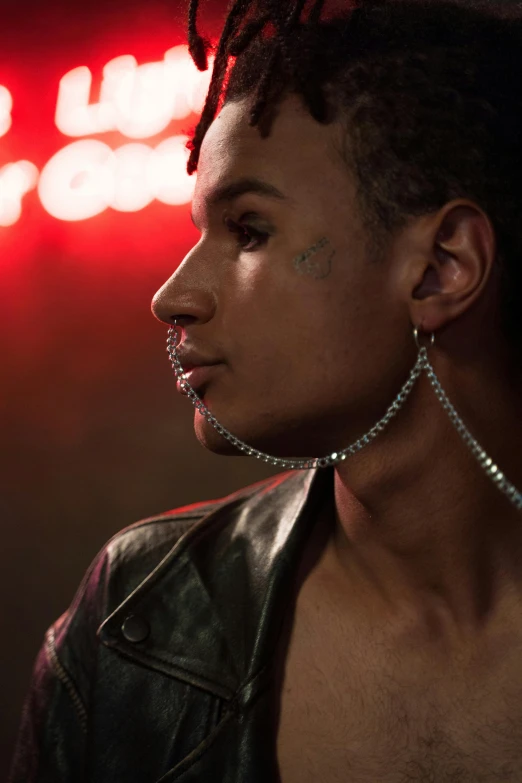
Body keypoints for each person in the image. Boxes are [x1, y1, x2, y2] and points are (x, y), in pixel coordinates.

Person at [9, 0, 522, 780]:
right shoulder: (135, 617)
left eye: (248, 230)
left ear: (441, 267)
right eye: (199, 232)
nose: (172, 296)